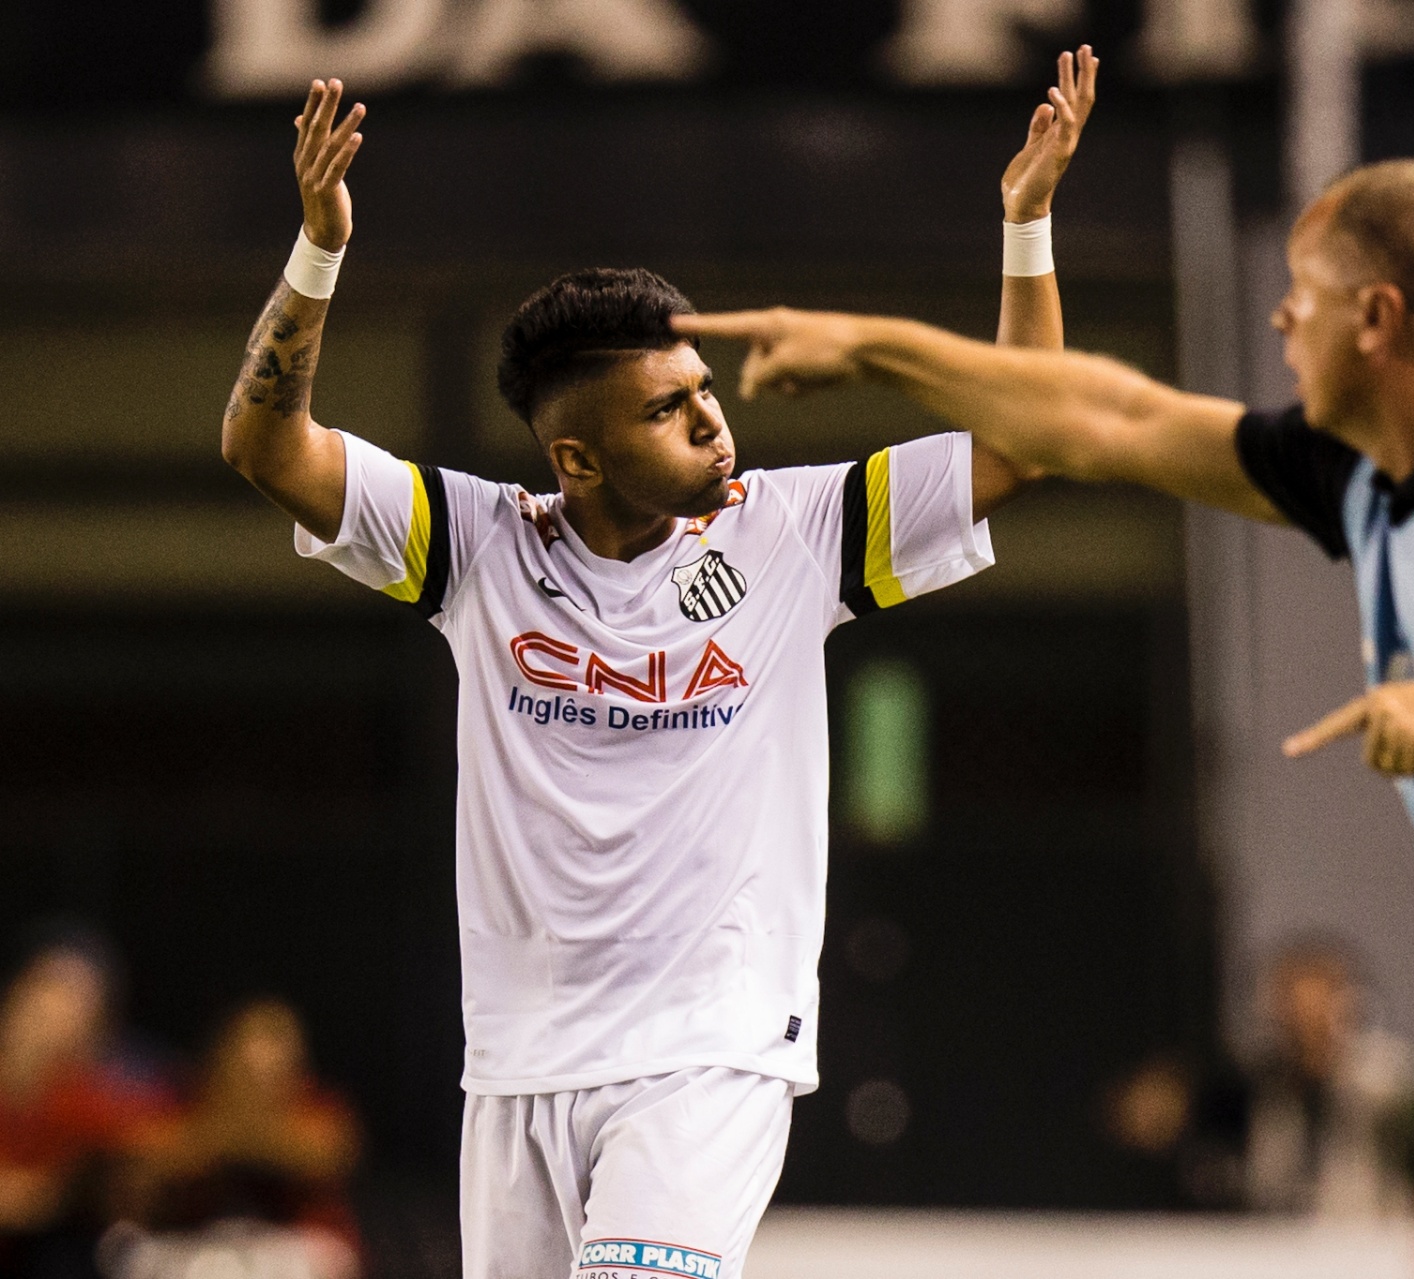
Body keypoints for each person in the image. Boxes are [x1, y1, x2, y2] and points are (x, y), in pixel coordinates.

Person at [677, 158, 1414, 1277]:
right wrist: (874, 346)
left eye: (1304, 296)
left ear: (1377, 317)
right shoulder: (1370, 473)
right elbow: (1112, 420)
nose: (1283, 322)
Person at [216, 49, 1097, 1279]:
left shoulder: (794, 535)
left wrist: (1027, 221)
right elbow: (265, 446)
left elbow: (1032, 439)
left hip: (708, 1051)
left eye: (703, 388)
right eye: (665, 409)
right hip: (517, 1067)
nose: (709, 417)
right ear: (575, 458)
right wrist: (319, 252)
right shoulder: (474, 547)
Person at [1104, 938, 1414, 1218]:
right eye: (1293, 1014)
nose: (1307, 1028)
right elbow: (1147, 1118)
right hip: (1272, 1256)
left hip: (1363, 1251)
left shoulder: (1385, 1086)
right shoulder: (1252, 1085)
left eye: (1321, 1011)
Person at [125, 999, 359, 1267]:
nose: (262, 1061)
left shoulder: (317, 1108)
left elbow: (324, 1155)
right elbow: (144, 1160)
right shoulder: (189, 1102)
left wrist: (230, 1134)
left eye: (276, 1045)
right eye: (252, 1043)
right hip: (202, 1249)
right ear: (224, 1051)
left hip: (295, 1252)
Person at [0, 932, 170, 1279]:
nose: (54, 1010)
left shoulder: (103, 1093)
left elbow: (156, 1151)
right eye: (47, 989)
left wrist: (51, 1192)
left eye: (77, 999)